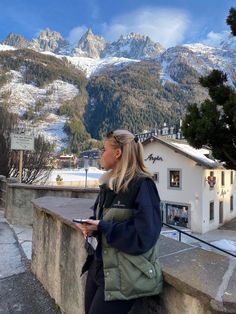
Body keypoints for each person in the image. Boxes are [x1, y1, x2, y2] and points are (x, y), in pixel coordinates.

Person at [75, 129, 163, 314]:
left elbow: (144, 237)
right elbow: (106, 220)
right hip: (101, 267)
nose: (101, 154)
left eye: (104, 149)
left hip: (125, 275)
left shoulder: (143, 185)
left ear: (117, 153)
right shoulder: (109, 185)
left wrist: (103, 227)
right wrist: (92, 226)